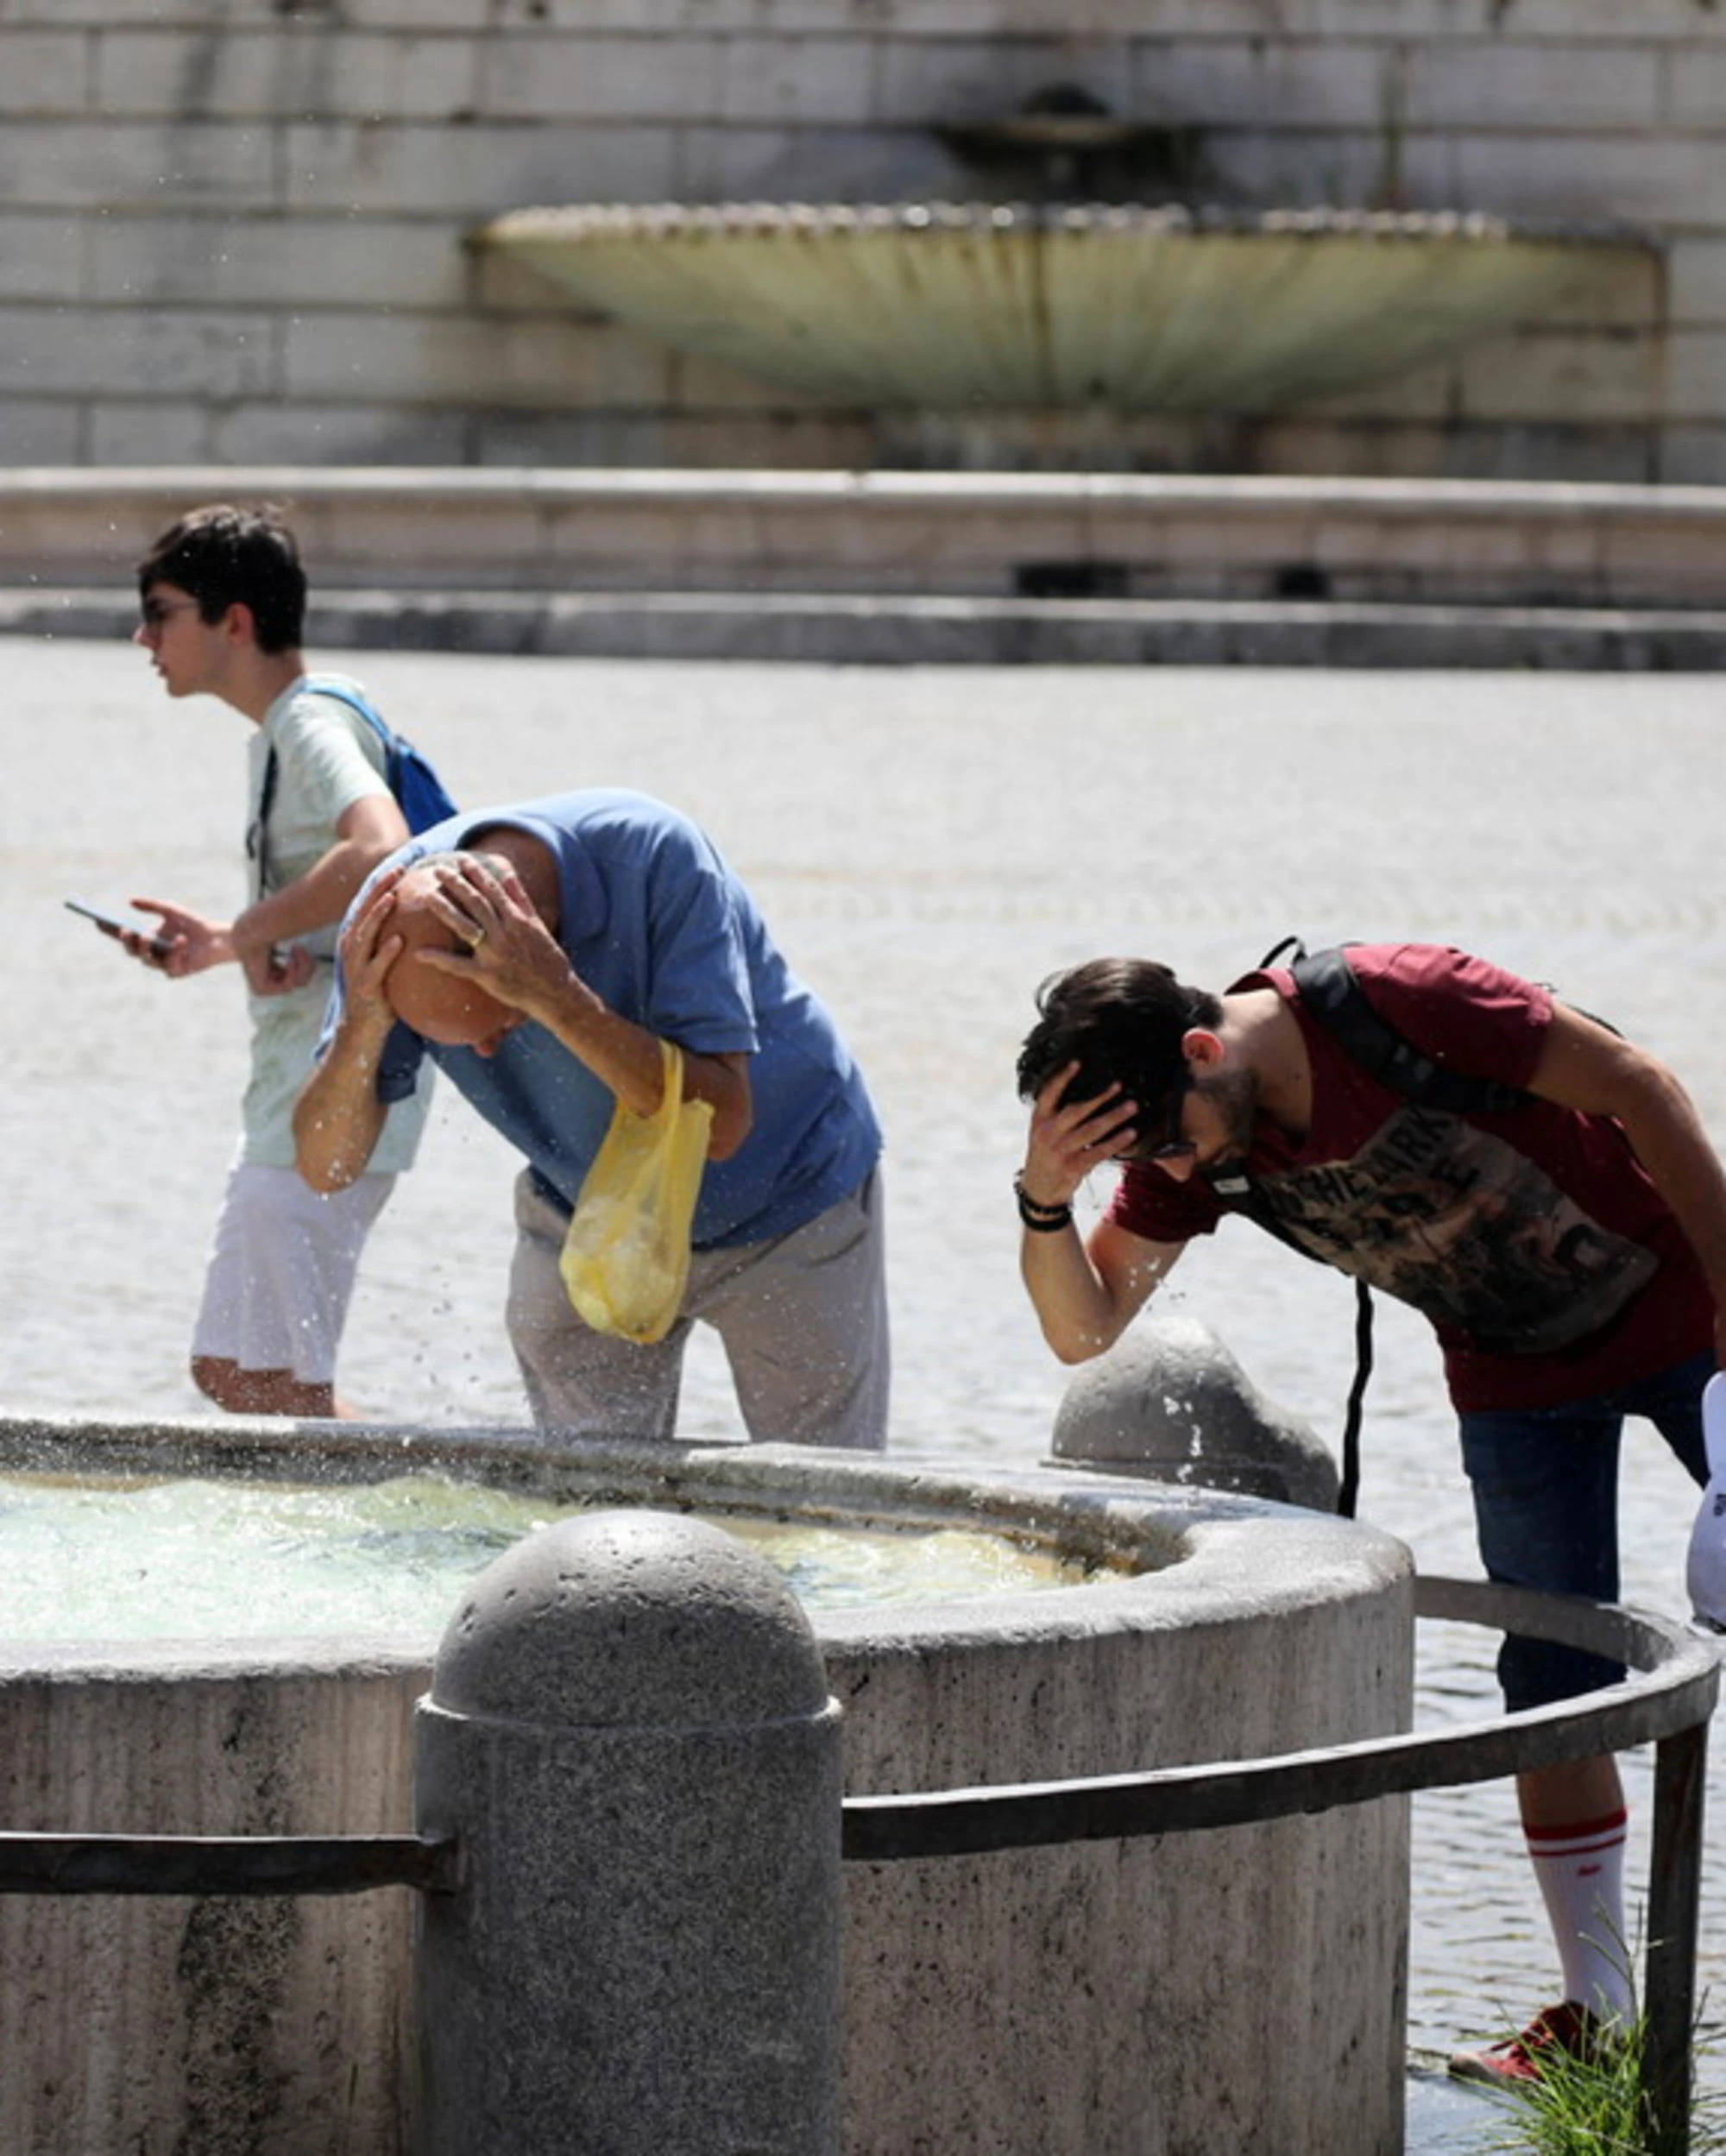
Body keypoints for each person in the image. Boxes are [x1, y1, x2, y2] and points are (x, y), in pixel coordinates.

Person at [1012, 942, 1726, 2086]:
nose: (1171, 1168)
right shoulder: (1193, 1145)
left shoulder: (1399, 999)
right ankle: (1601, 2023)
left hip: (1689, 1316)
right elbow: (1082, 1328)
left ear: (1204, 1048)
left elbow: (1642, 1085)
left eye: (1165, 1139)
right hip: (1517, 1380)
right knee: (1549, 1681)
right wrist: (1045, 1194)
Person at [293, 787, 889, 1450]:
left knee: (828, 1512)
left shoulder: (659, 859)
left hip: (787, 1198)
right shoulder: (388, 924)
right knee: (592, 1511)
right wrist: (362, 1028)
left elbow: (719, 1126)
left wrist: (555, 999)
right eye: (459, 1044)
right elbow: (327, 1168)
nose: (491, 1055)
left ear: (546, 938)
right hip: (586, 1214)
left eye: (504, 1026)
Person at [120, 502, 432, 1417]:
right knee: (237, 1373)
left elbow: (380, 845)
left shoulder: (307, 722)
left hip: (333, 1092)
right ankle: (407, 1503)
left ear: (236, 622)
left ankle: (424, 1521)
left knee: (285, 1384)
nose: (143, 635)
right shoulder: (284, 731)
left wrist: (240, 934)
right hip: (299, 1090)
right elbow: (365, 892)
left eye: (161, 609)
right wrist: (254, 948)